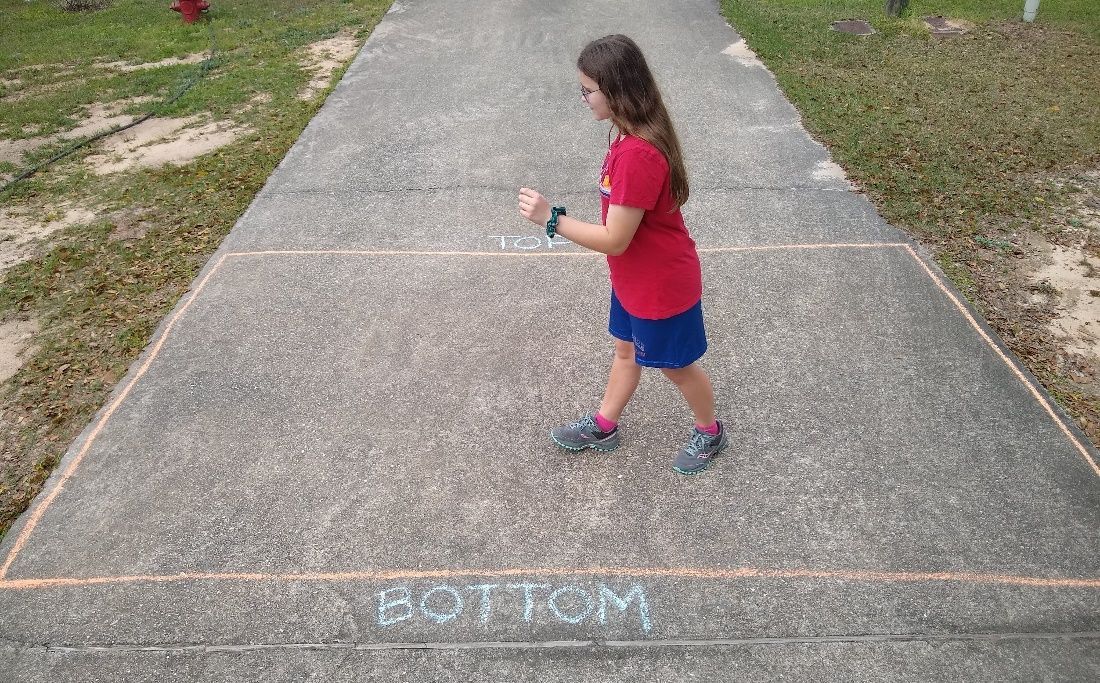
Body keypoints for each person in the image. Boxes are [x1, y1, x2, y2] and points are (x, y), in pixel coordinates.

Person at [517, 34, 727, 475]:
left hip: (660, 286)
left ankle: (710, 430)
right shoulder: (628, 135)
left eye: (588, 90)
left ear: (616, 91)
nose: (583, 98)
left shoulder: (637, 155)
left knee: (677, 368)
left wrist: (550, 218)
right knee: (626, 353)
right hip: (633, 281)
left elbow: (616, 239)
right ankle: (604, 425)